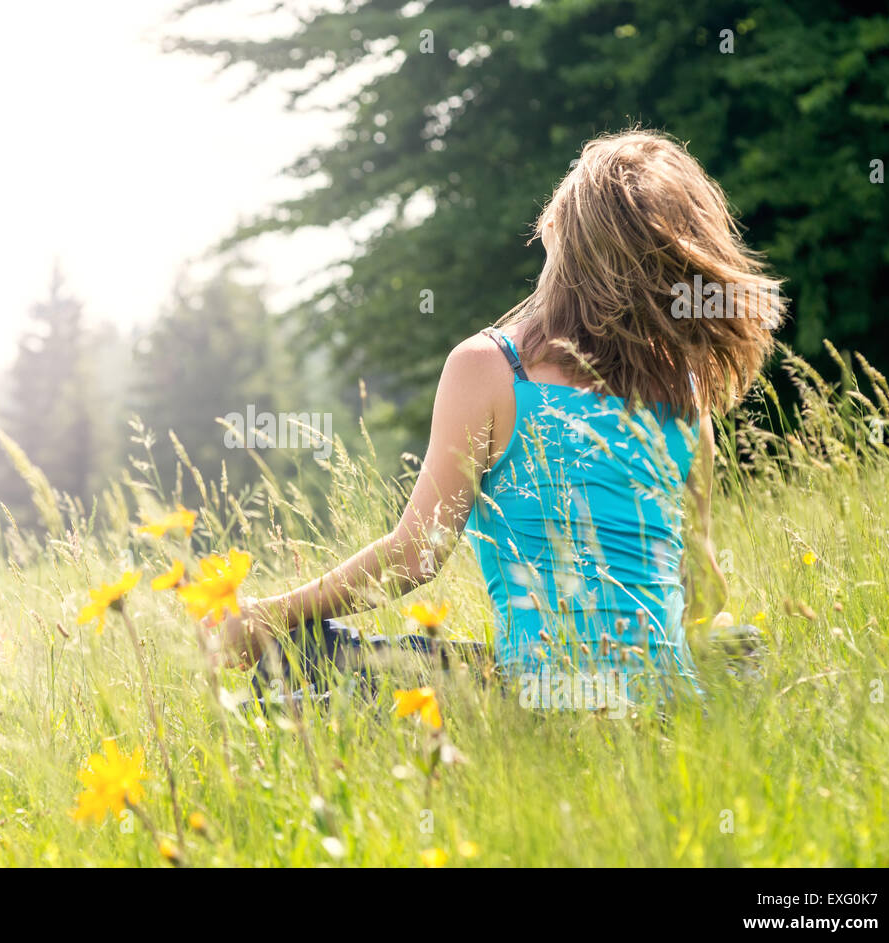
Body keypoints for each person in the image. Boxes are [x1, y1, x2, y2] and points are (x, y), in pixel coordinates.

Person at [220, 129, 784, 709]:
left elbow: (415, 557)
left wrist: (267, 615)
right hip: (666, 707)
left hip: (544, 705)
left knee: (309, 647)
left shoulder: (492, 369)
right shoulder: (687, 393)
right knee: (732, 644)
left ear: (566, 249)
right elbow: (704, 587)